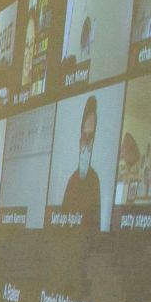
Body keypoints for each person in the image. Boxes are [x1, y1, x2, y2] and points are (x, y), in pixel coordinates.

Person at [59, 95, 105, 225]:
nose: (87, 141)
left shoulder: (95, 180)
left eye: (91, 136)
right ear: (80, 139)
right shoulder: (72, 180)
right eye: (85, 136)